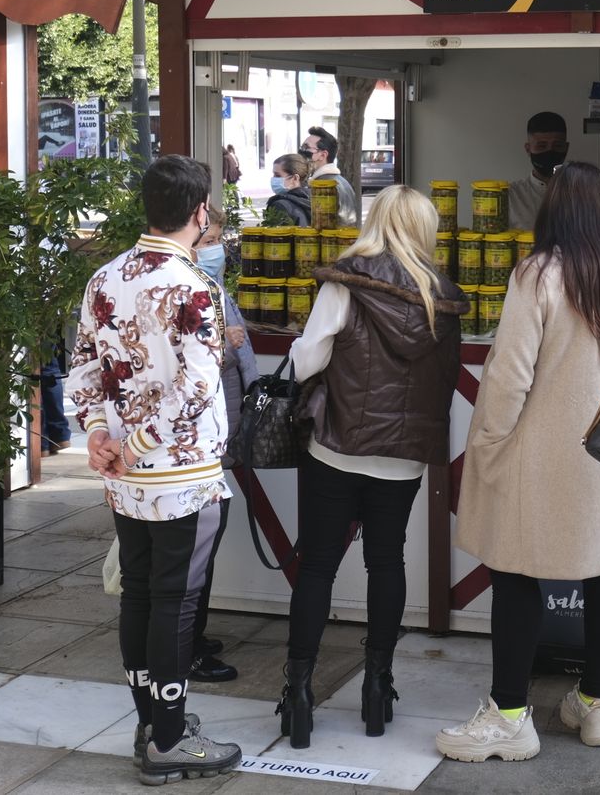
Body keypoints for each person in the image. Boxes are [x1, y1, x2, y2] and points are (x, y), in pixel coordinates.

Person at [438, 162, 600, 763]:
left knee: (513, 571)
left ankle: (510, 714)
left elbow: (510, 373)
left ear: (554, 211)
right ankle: (596, 703)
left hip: (539, 451)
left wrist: (489, 440)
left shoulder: (539, 273)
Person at [66, 155, 242, 784]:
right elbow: (197, 385)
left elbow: (83, 364)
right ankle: (168, 738)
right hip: (179, 471)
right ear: (199, 212)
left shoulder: (105, 277)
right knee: (175, 601)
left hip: (125, 470)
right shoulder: (196, 286)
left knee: (139, 593)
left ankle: (151, 724)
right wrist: (138, 441)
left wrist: (99, 434)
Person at [278, 185, 468, 746]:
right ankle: (377, 689)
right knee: (387, 563)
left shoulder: (345, 282)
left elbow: (308, 359)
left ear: (375, 221)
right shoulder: (442, 296)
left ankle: (299, 694)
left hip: (336, 444)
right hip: (403, 456)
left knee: (317, 566)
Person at [187, 208, 258, 684]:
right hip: (197, 445)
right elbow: (190, 361)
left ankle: (194, 633)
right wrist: (228, 346)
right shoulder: (188, 288)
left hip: (217, 435)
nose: (217, 249)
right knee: (196, 550)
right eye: (210, 239)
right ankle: (187, 646)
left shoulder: (210, 284)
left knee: (204, 545)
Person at [508, 111, 568, 230]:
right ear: (528, 149)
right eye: (542, 146)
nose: (550, 152)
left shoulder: (585, 195)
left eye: (557, 146)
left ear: (566, 148)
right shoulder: (510, 197)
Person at [306, 128, 361, 228]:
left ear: (323, 155)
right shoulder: (342, 181)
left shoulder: (322, 185)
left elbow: (321, 227)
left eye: (306, 148)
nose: (302, 152)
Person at [266, 153, 313, 226]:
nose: (273, 179)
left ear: (295, 178)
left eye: (277, 175)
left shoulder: (281, 206)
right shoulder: (313, 200)